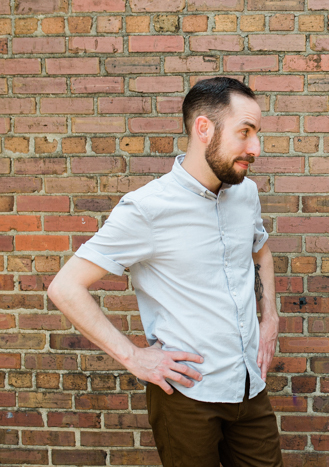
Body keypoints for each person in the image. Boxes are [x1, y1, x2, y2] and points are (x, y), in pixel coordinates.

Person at [47, 77, 283, 467]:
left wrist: (270, 316)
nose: (255, 148)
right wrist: (134, 358)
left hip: (248, 388)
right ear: (203, 129)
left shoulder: (246, 193)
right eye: (245, 132)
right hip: (186, 397)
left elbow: (261, 251)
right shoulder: (146, 208)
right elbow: (66, 287)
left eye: (257, 134)